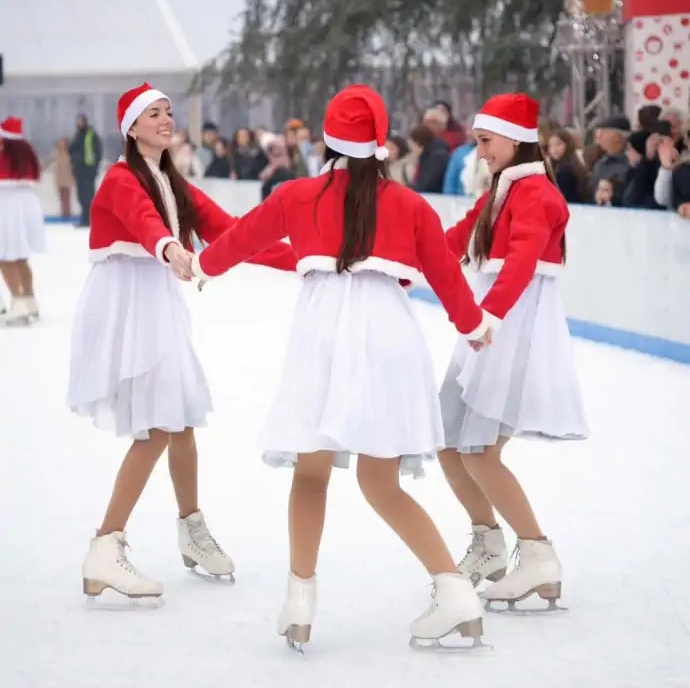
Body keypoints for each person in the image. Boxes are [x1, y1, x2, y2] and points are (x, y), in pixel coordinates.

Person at [187, 84, 494, 651]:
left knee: (311, 470)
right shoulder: (409, 203)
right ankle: (454, 592)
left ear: (327, 139)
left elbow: (240, 239)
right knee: (382, 483)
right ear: (380, 142)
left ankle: (300, 599)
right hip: (388, 337)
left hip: (324, 337)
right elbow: (447, 278)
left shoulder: (297, 194)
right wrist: (473, 327)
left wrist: (200, 264)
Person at [67, 84, 297, 602]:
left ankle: (190, 528)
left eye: (169, 111)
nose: (167, 119)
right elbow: (145, 223)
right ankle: (105, 546)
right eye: (154, 113)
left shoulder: (174, 182)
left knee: (181, 419)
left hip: (156, 303)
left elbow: (235, 233)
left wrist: (307, 258)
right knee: (155, 428)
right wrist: (170, 246)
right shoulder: (121, 179)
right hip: (128, 306)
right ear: (131, 126)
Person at [437, 93, 589, 613]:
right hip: (485, 332)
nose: (479, 152)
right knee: (448, 440)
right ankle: (489, 542)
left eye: (485, 141)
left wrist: (490, 318)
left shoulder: (538, 195)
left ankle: (538, 553)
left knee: (478, 451)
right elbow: (455, 239)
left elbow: (522, 261)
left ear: (515, 138)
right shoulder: (501, 192)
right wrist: (399, 263)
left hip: (507, 334)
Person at [0, 116, 45, 326]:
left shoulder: (5, 153)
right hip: (27, 203)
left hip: (8, 205)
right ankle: (29, 300)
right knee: (20, 257)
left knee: (6, 257)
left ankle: (18, 303)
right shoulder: (26, 149)